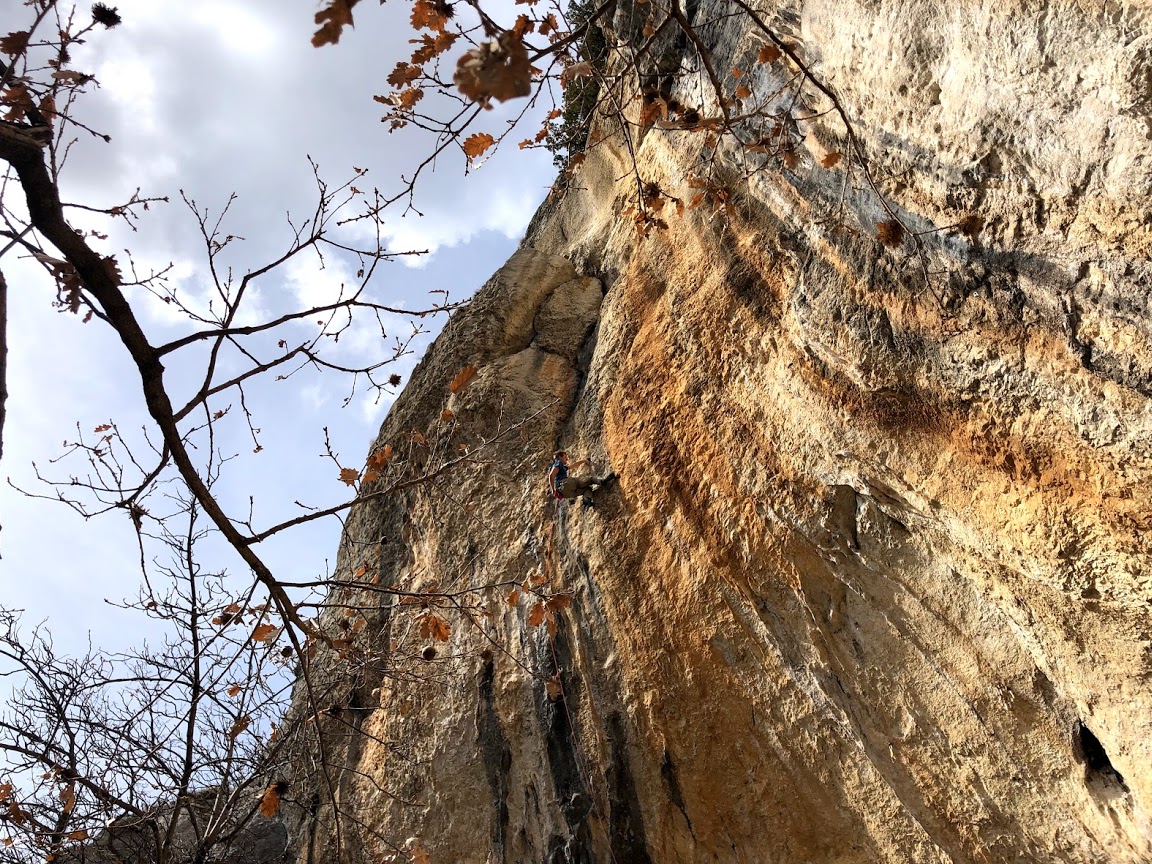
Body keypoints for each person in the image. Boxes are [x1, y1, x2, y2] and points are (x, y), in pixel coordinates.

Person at [547, 450, 616, 503]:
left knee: (587, 489)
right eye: (565, 457)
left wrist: (583, 461)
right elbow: (551, 475)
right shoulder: (558, 463)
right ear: (560, 456)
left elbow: (572, 466)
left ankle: (587, 500)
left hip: (565, 494)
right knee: (590, 480)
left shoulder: (562, 467)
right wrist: (553, 489)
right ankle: (602, 481)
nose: (567, 459)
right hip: (565, 484)